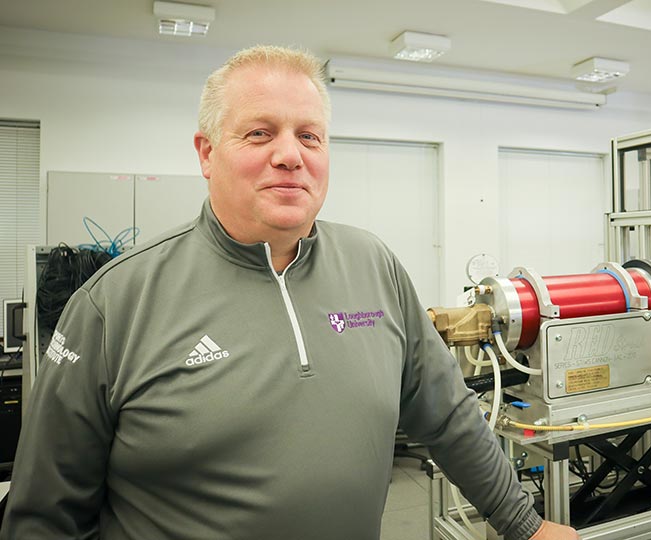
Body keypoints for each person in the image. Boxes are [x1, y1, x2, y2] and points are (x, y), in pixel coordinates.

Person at [0, 46, 578, 539]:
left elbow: (449, 416)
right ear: (206, 152)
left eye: (309, 135)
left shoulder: (374, 265)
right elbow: (44, 516)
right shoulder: (114, 305)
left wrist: (523, 525)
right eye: (259, 133)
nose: (289, 154)